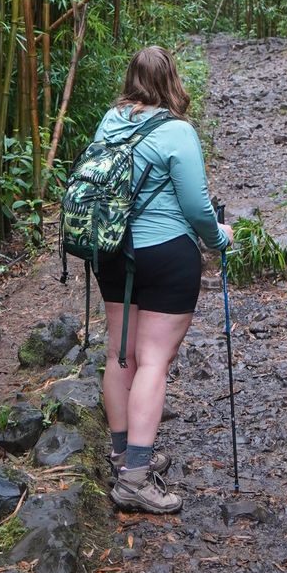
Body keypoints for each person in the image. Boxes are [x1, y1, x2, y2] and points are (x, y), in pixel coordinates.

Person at [92, 45, 232, 515]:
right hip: (166, 254)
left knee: (121, 353)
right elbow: (196, 207)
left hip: (112, 252)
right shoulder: (177, 131)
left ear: (131, 77)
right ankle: (136, 477)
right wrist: (219, 237)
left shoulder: (110, 121)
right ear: (171, 78)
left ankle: (122, 456)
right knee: (153, 360)